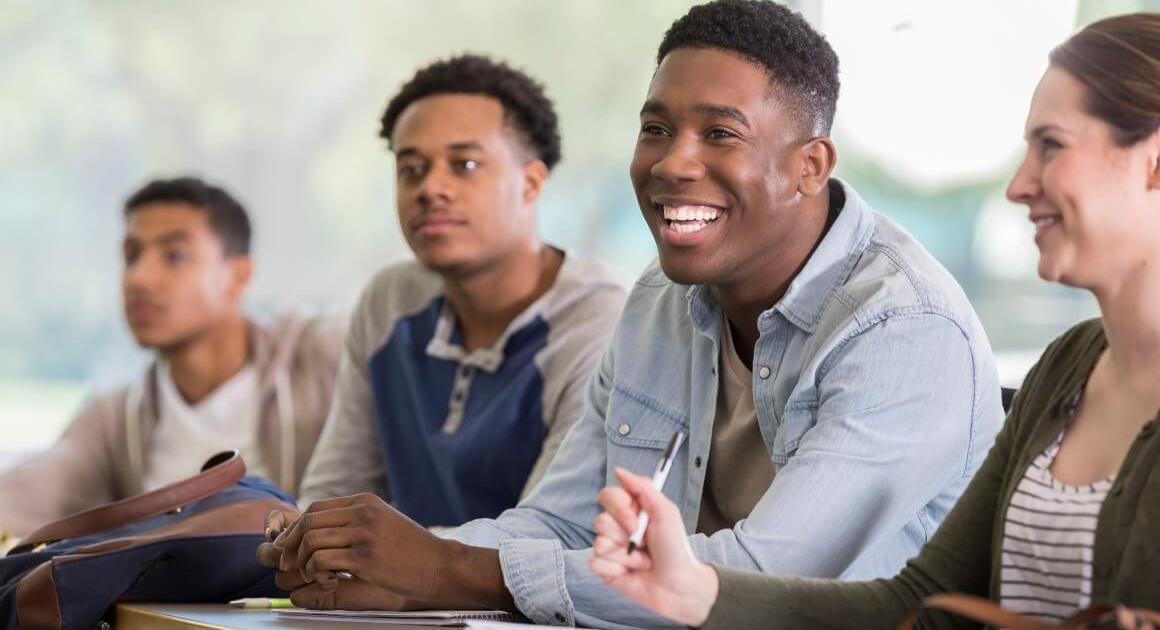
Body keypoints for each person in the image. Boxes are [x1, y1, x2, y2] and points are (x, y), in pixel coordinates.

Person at [261, 2, 1002, 626]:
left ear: (810, 166)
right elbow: (557, 521)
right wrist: (376, 564)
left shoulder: (903, 328)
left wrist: (450, 570)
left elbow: (757, 577)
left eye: (719, 134)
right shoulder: (663, 299)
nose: (673, 163)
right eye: (655, 129)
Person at [588, 12, 1160, 629]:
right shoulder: (1067, 367)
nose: (1019, 186)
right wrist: (693, 590)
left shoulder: (905, 318)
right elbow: (914, 599)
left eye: (1051, 145)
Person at [288, 54, 627, 527]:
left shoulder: (598, 320)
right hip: (384, 596)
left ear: (530, 184)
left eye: (464, 164)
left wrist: (378, 559)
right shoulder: (389, 302)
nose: (431, 188)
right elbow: (333, 494)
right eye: (411, 169)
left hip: (528, 599)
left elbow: (552, 532)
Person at [0, 176, 343, 538]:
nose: (139, 278)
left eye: (174, 256)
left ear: (239, 276)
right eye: (131, 256)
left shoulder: (320, 362)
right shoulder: (115, 418)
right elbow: (37, 489)